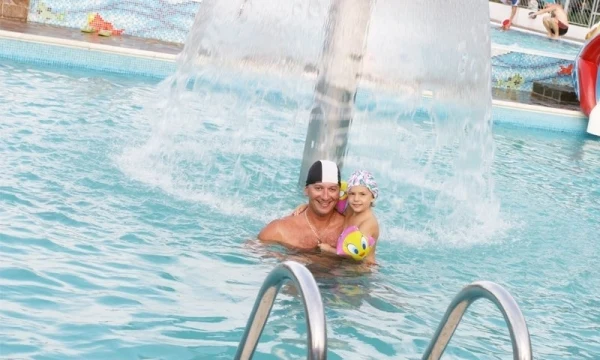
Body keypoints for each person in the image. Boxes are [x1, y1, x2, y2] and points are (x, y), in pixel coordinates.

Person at [293, 170, 381, 265]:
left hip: (362, 270)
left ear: (373, 196)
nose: (356, 199)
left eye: (362, 194)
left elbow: (355, 254)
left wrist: (329, 249)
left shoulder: (368, 223)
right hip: (346, 265)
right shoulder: (350, 210)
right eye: (352, 194)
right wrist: (307, 205)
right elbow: (326, 203)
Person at [257, 160, 345, 251]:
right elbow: (251, 254)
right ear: (306, 190)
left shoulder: (350, 226)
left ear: (339, 192)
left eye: (332, 189)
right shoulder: (279, 230)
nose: (325, 197)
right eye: (318, 188)